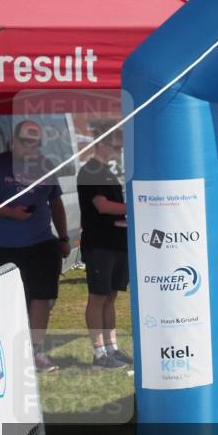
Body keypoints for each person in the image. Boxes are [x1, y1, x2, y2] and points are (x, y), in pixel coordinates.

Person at [0, 121, 70, 372]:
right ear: (13, 140)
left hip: (42, 242)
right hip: (8, 246)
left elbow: (56, 204)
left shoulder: (45, 165)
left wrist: (63, 238)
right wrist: (12, 212)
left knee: (43, 298)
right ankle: (12, 352)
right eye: (26, 141)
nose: (31, 146)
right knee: (14, 300)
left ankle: (36, 353)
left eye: (36, 142)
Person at [77, 133, 131, 369]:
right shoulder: (91, 171)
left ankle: (112, 347)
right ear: (100, 144)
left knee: (110, 297)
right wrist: (136, 205)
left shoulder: (107, 171)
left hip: (116, 242)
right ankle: (99, 354)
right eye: (115, 145)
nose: (119, 149)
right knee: (98, 297)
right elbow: (102, 205)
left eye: (120, 145)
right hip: (100, 244)